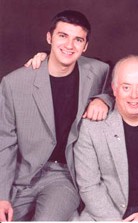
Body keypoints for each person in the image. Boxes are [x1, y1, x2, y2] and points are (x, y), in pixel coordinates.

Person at [0, 10, 112, 221]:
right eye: (63, 36)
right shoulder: (13, 84)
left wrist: (104, 99)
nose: (69, 45)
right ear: (49, 37)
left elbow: (125, 85)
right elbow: (4, 143)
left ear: (85, 46)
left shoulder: (99, 72)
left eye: (78, 39)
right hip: (20, 176)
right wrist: (1, 196)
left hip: (63, 177)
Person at [73, 55, 138, 221]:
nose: (134, 95)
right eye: (126, 87)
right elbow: (89, 185)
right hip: (104, 214)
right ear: (114, 90)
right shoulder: (91, 127)